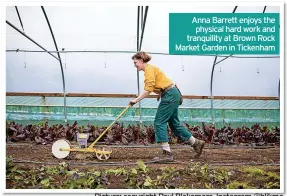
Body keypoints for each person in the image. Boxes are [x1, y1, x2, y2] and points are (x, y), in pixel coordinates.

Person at [129, 51, 205, 162]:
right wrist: (160, 93)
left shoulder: (149, 69)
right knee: (174, 123)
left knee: (159, 122)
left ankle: (167, 154)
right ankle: (196, 143)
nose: (135, 65)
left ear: (141, 60)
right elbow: (161, 83)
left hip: (170, 95)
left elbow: (148, 90)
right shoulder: (151, 69)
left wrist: (135, 100)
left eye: (135, 62)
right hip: (172, 93)